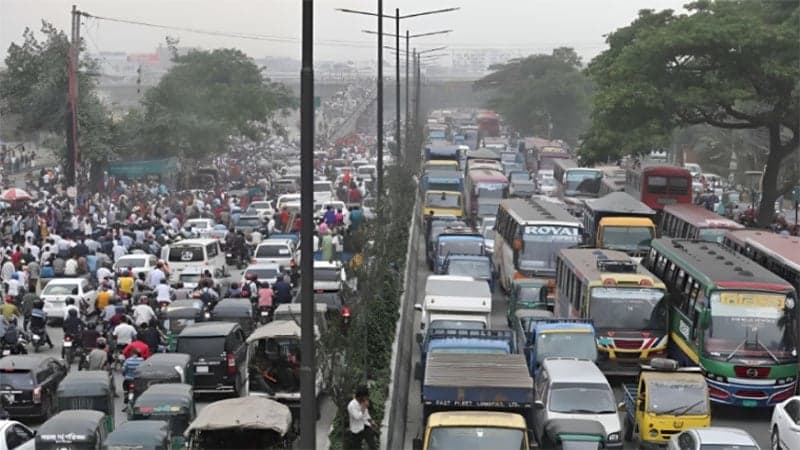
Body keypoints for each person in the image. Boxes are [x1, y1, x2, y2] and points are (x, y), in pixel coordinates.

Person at [347, 385, 378, 450]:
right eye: (365, 396)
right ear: (360, 396)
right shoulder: (351, 405)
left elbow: (366, 414)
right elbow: (357, 417)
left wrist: (371, 421)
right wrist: (363, 408)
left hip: (365, 425)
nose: (367, 398)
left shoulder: (363, 402)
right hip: (356, 430)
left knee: (372, 444)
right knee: (357, 447)